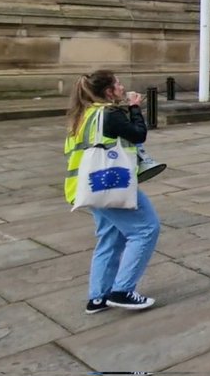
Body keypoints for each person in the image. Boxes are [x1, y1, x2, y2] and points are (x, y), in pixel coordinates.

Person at [65, 70, 160, 312]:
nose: (122, 86)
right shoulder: (109, 113)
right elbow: (139, 134)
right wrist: (135, 108)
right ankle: (123, 290)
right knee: (146, 229)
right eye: (118, 84)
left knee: (110, 237)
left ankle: (98, 297)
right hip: (111, 183)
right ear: (109, 91)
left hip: (88, 186)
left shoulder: (84, 114)